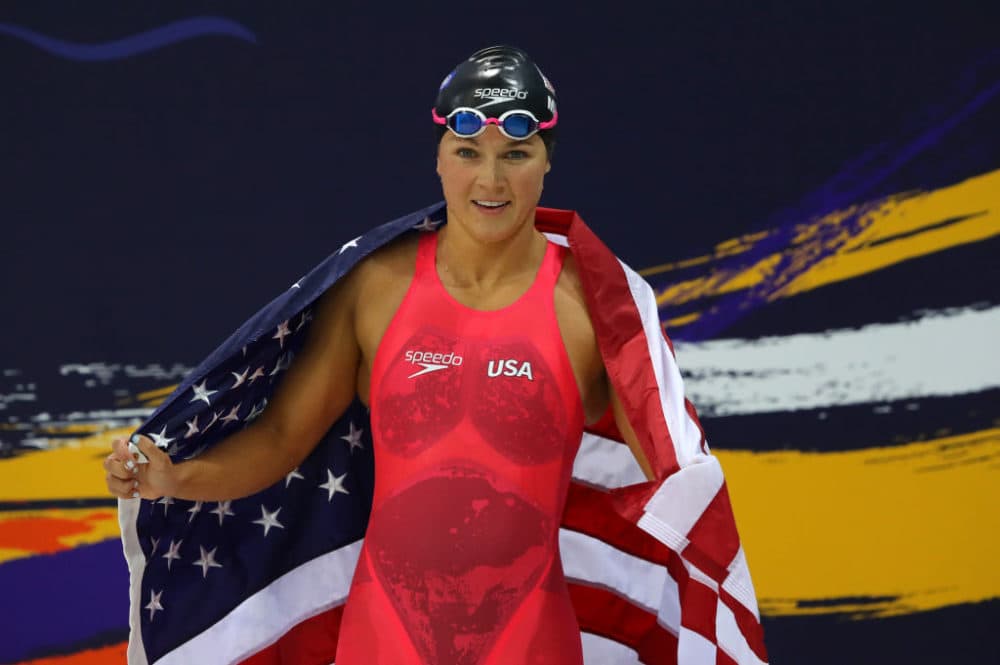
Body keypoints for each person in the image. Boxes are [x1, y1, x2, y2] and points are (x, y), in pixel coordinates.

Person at [103, 45, 658, 664]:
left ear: (546, 162)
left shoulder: (596, 306)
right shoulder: (375, 287)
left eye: (516, 156)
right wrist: (173, 478)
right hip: (382, 641)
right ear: (440, 157)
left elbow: (673, 480)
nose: (491, 181)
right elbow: (285, 436)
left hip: (531, 644)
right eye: (468, 153)